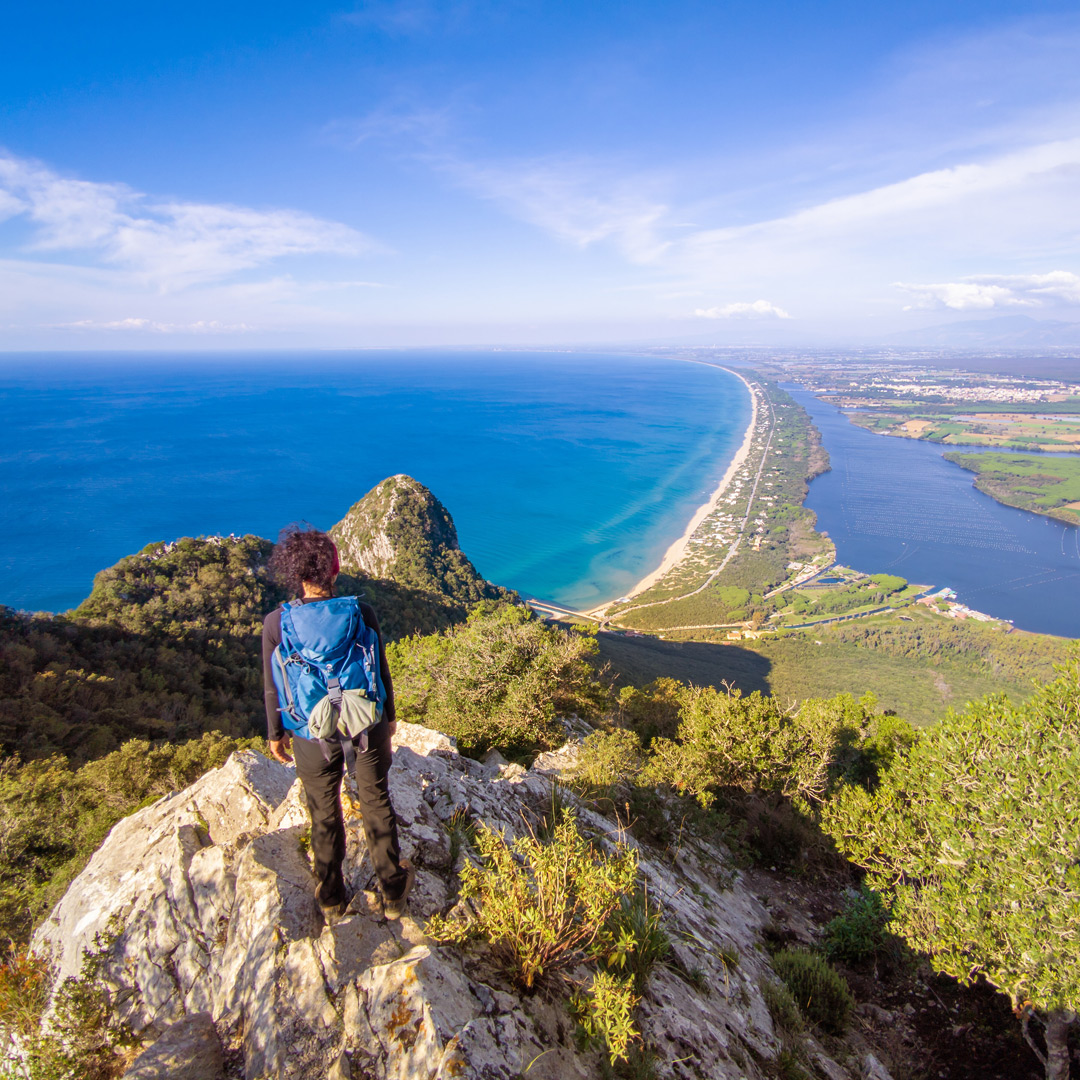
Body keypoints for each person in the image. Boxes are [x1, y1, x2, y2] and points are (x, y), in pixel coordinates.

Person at [262, 527, 414, 921]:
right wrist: (390, 718)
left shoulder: (276, 624)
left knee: (323, 811)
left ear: (296, 574)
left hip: (311, 733)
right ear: (335, 569)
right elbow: (380, 671)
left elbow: (272, 687)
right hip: (366, 723)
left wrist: (276, 734)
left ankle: (331, 896)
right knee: (375, 799)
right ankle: (393, 892)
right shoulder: (361, 613)